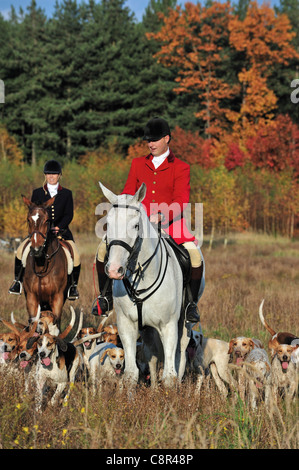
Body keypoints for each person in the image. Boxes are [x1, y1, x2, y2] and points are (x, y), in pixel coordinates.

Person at [92, 117, 205, 323]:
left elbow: (181, 200)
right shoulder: (137, 164)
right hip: (137, 221)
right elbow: (128, 192)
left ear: (167, 139)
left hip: (170, 223)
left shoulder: (181, 167)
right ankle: (105, 297)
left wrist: (163, 215)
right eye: (148, 140)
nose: (151, 144)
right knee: (102, 250)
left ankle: (190, 304)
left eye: (155, 140)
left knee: (194, 255)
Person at [8, 159, 81, 300]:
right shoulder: (37, 193)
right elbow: (32, 212)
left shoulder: (66, 193)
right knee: (19, 252)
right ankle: (17, 281)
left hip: (62, 233)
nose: (51, 176)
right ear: (45, 175)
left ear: (60, 175)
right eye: (48, 174)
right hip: (39, 233)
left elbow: (69, 214)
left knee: (76, 257)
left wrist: (59, 227)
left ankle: (73, 287)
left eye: (54, 174)